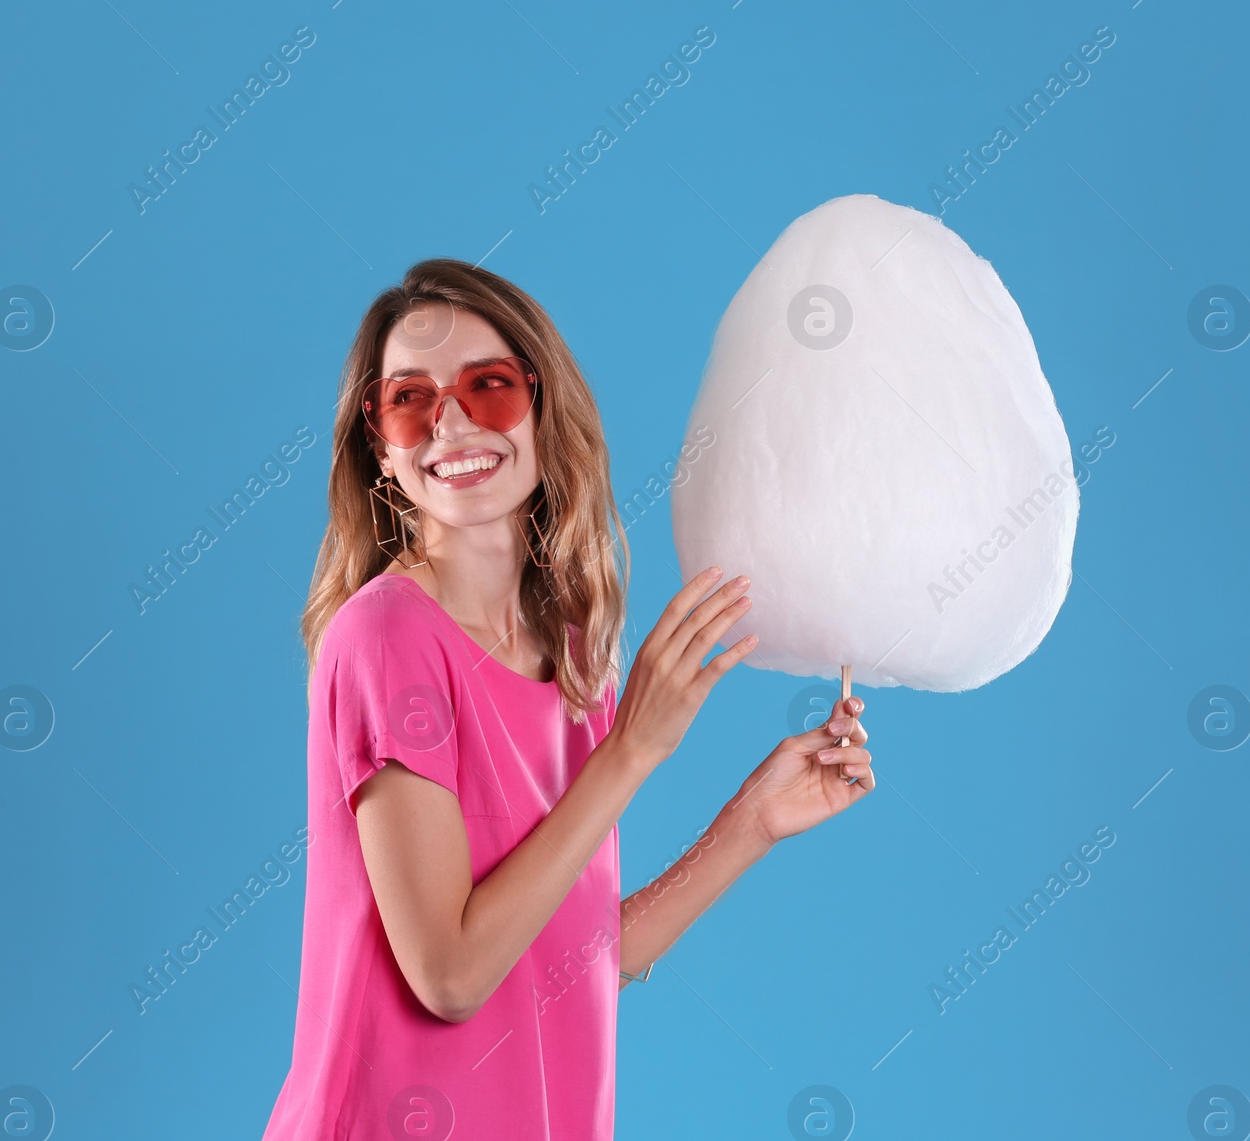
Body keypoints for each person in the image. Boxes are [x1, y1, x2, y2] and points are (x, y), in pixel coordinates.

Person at [260, 259, 874, 1140]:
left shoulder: (575, 651)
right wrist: (633, 750)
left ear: (545, 410)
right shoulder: (387, 637)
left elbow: (575, 958)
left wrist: (751, 824)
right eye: (410, 399)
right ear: (380, 445)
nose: (454, 421)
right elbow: (452, 974)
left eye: (491, 386)